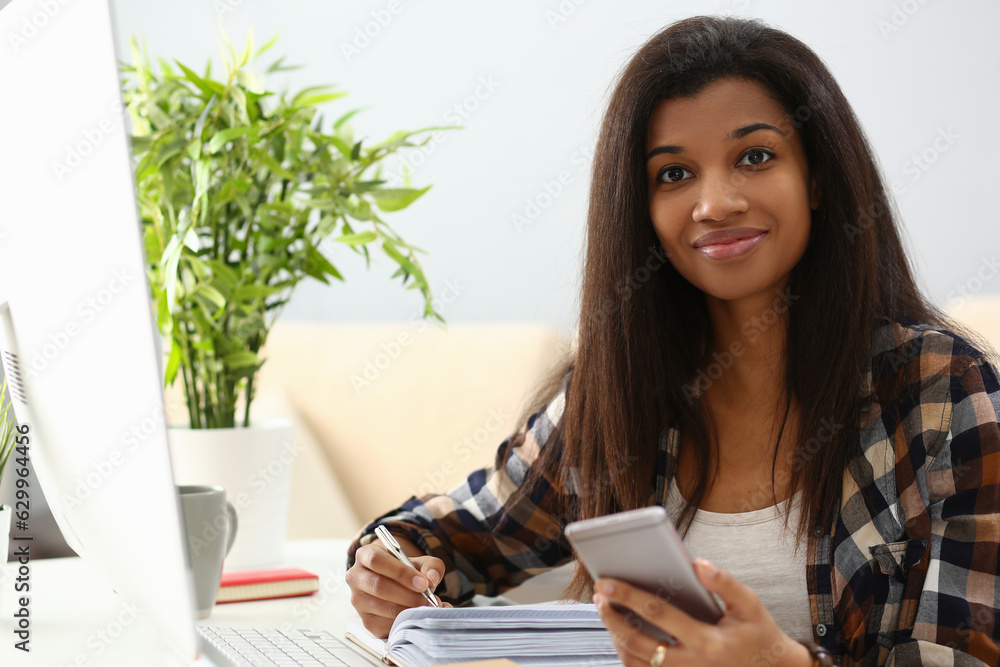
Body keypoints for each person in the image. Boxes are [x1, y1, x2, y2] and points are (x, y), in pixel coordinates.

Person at [345, 14, 1000, 667]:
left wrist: (780, 662)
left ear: (819, 178)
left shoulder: (940, 389)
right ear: (643, 211)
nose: (714, 203)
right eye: (674, 174)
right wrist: (388, 567)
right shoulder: (617, 394)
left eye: (755, 156)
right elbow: (454, 534)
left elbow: (967, 656)